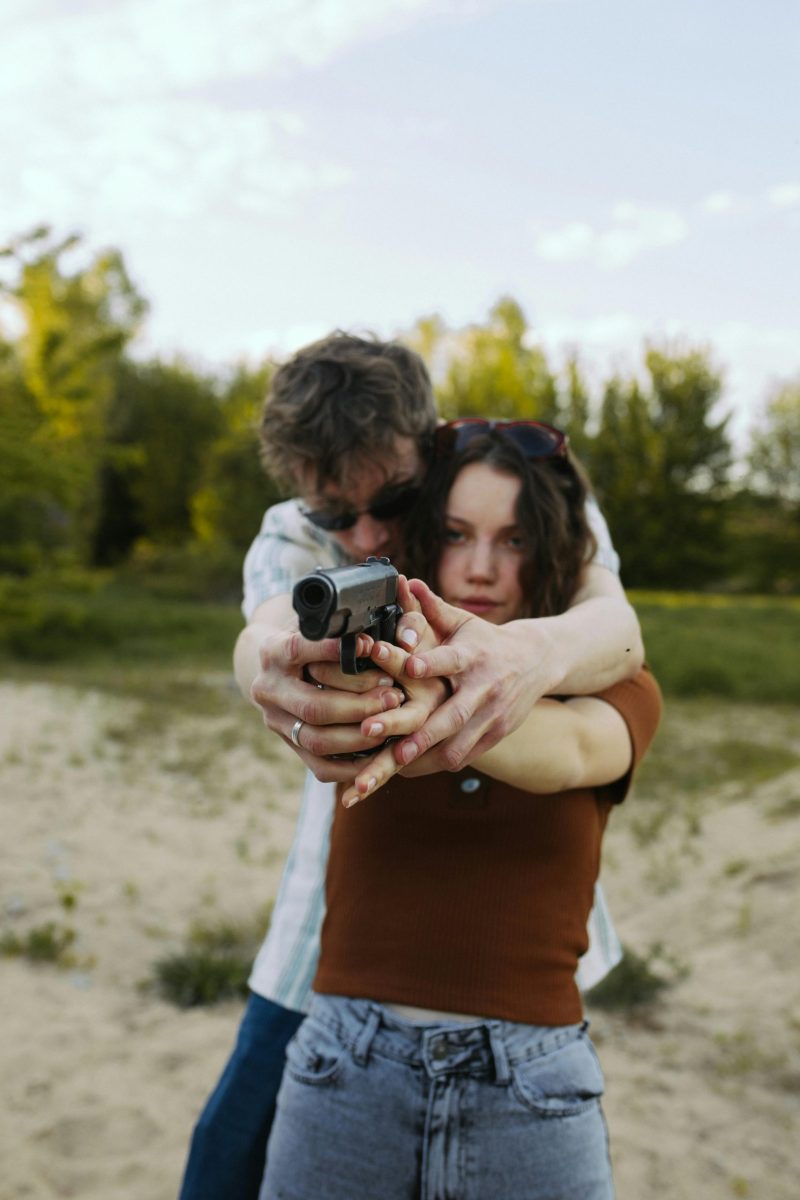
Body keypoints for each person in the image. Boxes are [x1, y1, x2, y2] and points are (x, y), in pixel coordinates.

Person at [179, 334, 643, 1199]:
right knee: (222, 1161)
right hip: (334, 929)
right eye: (333, 516)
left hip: (514, 950)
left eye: (390, 500)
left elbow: (612, 624)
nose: (361, 535)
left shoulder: (518, 487)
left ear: (431, 445)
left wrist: (518, 661)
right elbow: (267, 634)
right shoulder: (290, 532)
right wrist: (267, 674)